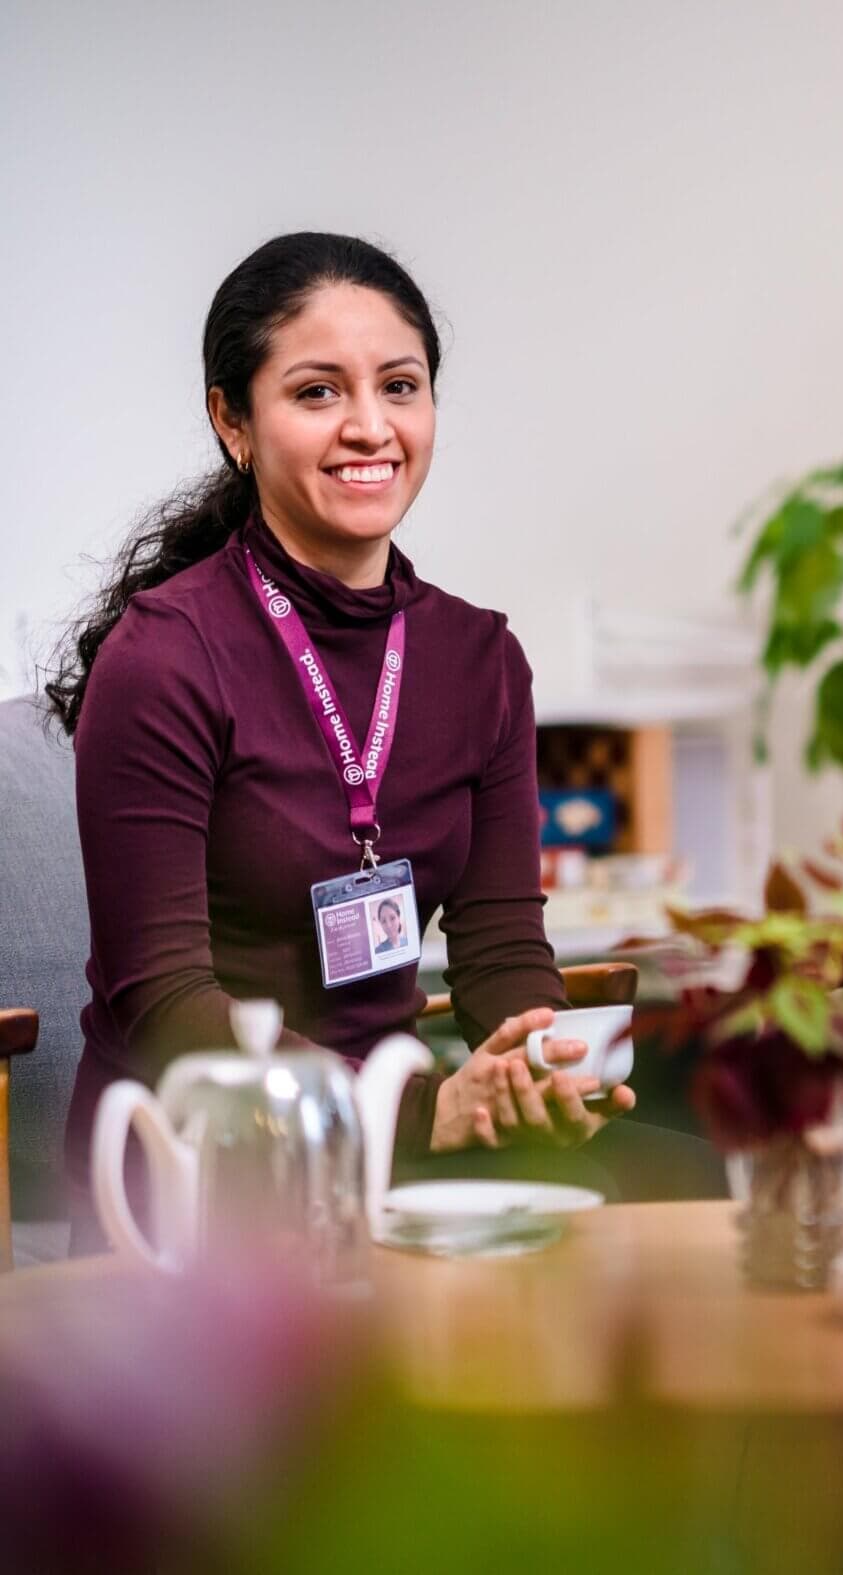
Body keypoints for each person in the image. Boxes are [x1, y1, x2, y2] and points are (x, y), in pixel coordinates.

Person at [49, 233, 724, 1245]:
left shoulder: (478, 657)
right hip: (213, 1156)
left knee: (687, 1183)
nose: (371, 427)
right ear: (231, 421)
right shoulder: (166, 657)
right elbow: (163, 1000)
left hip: (413, 1141)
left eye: (399, 387)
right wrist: (422, 1109)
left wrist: (532, 1070)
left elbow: (500, 947)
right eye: (317, 393)